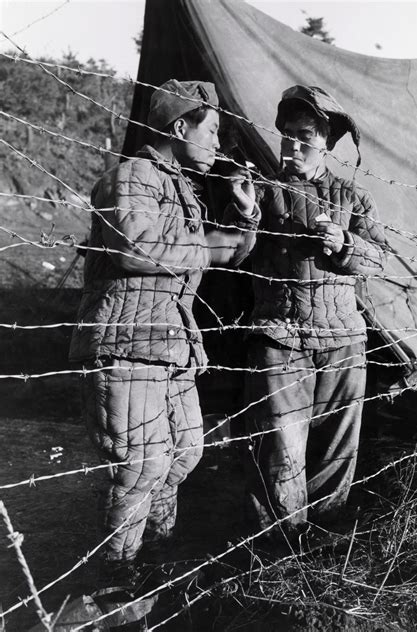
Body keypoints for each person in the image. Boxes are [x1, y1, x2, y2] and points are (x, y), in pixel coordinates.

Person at [69, 79, 255, 586]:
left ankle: (155, 554)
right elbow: (135, 249)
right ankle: (117, 577)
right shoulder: (134, 177)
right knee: (141, 468)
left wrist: (245, 214)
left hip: (170, 347)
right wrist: (208, 246)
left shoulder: (182, 190)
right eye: (211, 130)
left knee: (185, 454)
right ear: (180, 127)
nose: (217, 142)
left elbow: (229, 252)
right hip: (128, 346)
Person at [229, 85, 388, 539]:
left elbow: (378, 260)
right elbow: (233, 258)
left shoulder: (353, 199)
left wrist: (345, 245)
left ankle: (324, 544)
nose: (293, 144)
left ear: (327, 142)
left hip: (343, 342)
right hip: (281, 341)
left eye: (305, 135)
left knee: (336, 451)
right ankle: (279, 552)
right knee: (280, 451)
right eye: (287, 134)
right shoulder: (258, 192)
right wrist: (245, 216)